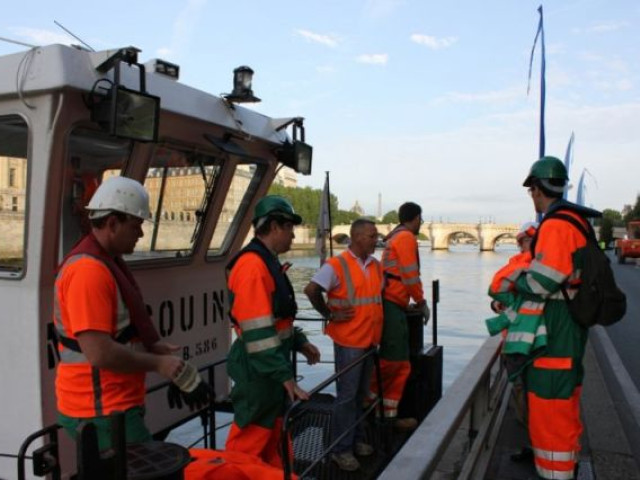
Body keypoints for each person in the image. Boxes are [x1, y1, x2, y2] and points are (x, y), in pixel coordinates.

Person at [54, 176, 211, 451]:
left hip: (110, 405)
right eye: (136, 225)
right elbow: (100, 352)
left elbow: (117, 333)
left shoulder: (104, 262)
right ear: (112, 223)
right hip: (99, 410)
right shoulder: (88, 273)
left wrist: (156, 350)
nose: (140, 234)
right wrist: (160, 364)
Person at [515, 156, 601, 480]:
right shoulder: (575, 221)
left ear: (537, 189)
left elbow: (541, 281)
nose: (532, 197)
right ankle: (564, 469)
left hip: (556, 328)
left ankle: (556, 474)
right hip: (569, 324)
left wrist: (517, 280)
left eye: (532, 191)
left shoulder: (554, 226)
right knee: (563, 409)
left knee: (550, 411)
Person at [225, 195, 320, 469]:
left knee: (270, 438)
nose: (293, 234)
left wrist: (299, 341)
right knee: (249, 443)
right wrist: (284, 376)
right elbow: (258, 334)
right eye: (290, 227)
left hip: (269, 368)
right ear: (275, 226)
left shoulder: (266, 262)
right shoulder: (253, 267)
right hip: (260, 371)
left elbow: (276, 319)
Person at [304, 218, 383, 472]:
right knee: (347, 397)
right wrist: (329, 314)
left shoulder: (375, 266)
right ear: (357, 237)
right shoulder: (336, 265)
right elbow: (311, 290)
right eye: (372, 235)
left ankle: (355, 440)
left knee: (360, 395)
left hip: (370, 340)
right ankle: (341, 449)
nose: (376, 239)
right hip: (349, 341)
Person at [366, 202, 428, 430]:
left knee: (399, 364)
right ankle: (368, 406)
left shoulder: (397, 237)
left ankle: (386, 416)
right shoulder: (406, 238)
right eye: (421, 219)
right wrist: (421, 302)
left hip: (395, 304)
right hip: (392, 305)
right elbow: (410, 275)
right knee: (394, 363)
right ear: (416, 218)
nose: (421, 223)